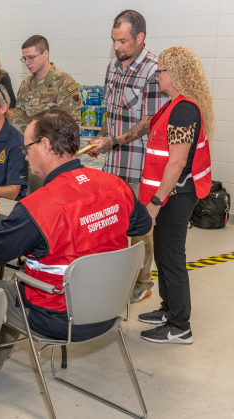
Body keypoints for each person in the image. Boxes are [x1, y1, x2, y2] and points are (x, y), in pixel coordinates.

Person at [0, 108, 152, 380]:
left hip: (58, 318)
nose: (24, 154)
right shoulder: (115, 186)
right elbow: (142, 226)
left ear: (44, 146)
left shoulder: (39, 207)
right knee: (13, 289)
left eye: (27, 147)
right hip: (108, 309)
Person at [88, 10, 168, 303]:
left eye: (122, 41)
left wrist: (114, 141)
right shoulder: (113, 66)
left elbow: (151, 121)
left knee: (139, 227)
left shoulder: (153, 70)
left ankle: (142, 282)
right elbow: (110, 112)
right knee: (111, 223)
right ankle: (116, 278)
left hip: (139, 165)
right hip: (112, 163)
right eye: (114, 40)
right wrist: (101, 136)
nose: (117, 47)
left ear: (140, 38)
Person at [138, 47, 213, 345]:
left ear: (177, 74)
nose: (157, 76)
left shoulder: (183, 110)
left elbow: (178, 162)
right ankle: (168, 310)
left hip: (176, 194)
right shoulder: (174, 105)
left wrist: (155, 203)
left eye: (161, 71)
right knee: (163, 253)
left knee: (171, 257)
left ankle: (180, 326)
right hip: (171, 192)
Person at [13, 35, 82, 135]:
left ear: (45, 53)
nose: (27, 63)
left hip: (55, 147)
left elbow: (72, 127)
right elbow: (20, 123)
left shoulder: (64, 83)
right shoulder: (25, 85)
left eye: (31, 57)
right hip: (30, 148)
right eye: (24, 58)